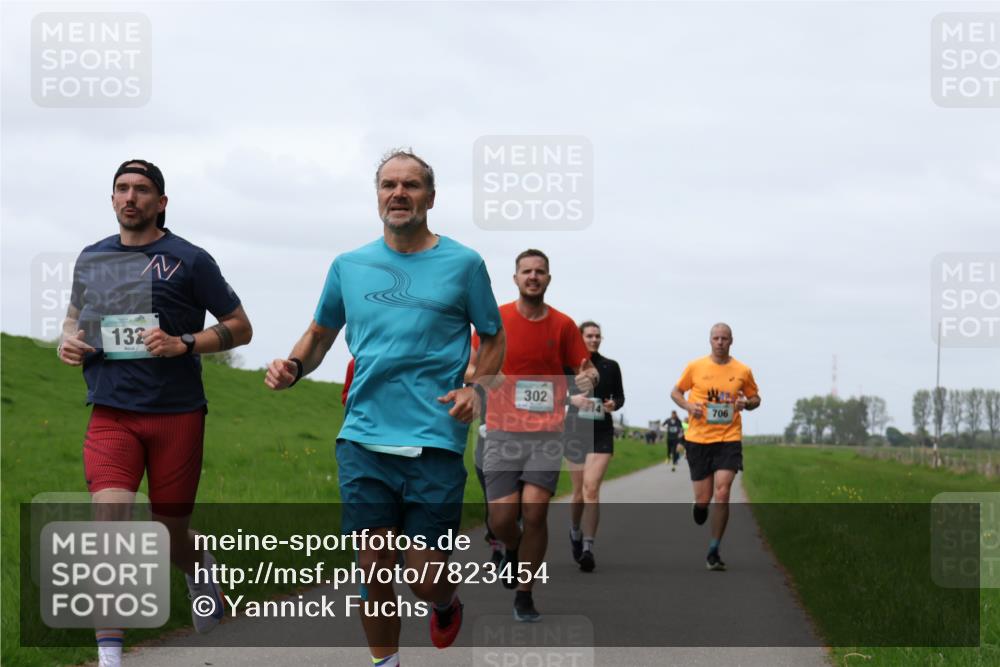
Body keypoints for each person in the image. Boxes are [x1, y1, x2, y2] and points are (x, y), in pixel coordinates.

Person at [264, 150, 504, 666]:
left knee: (423, 575)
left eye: (411, 185)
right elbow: (320, 333)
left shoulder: (464, 264)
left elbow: (493, 336)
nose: (399, 193)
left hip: (435, 437)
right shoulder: (349, 266)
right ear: (377, 196)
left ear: (430, 198)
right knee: (373, 565)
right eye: (389, 185)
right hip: (363, 437)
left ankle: (446, 602)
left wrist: (477, 390)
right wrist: (293, 366)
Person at [57, 159, 253, 667]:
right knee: (110, 521)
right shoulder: (92, 257)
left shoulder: (190, 260)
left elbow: (239, 325)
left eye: (142, 190)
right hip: (111, 412)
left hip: (176, 414)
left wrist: (184, 342)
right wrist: (69, 342)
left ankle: (197, 563)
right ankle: (110, 654)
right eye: (121, 189)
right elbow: (76, 318)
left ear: (161, 202)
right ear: (113, 198)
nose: (130, 197)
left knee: (169, 535)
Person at [479, 249, 598, 622]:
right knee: (501, 518)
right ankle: (511, 550)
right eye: (526, 271)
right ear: (515, 278)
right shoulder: (495, 320)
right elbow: (471, 367)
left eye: (540, 272)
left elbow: (587, 371)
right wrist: (484, 377)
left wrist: (587, 380)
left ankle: (524, 594)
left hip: (546, 433)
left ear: (548, 279)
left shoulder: (563, 325)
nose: (533, 276)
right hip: (501, 430)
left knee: (534, 510)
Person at [670, 323, 760, 571]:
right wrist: (688, 406)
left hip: (728, 438)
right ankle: (699, 507)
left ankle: (714, 548)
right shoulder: (695, 367)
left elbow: (755, 398)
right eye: (716, 338)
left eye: (724, 338)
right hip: (699, 439)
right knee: (704, 498)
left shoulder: (742, 370)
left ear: (731, 341)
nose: (720, 342)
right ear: (710, 340)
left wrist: (747, 403)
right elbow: (676, 392)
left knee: (722, 493)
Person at [564, 321, 624, 573]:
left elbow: (620, 397)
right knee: (578, 493)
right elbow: (556, 392)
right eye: (589, 335)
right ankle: (575, 531)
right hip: (576, 431)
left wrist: (613, 405)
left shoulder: (611, 366)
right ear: (580, 338)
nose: (594, 339)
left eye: (598, 335)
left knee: (592, 489)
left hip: (601, 431)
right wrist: (572, 399)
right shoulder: (568, 365)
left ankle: (588, 547)